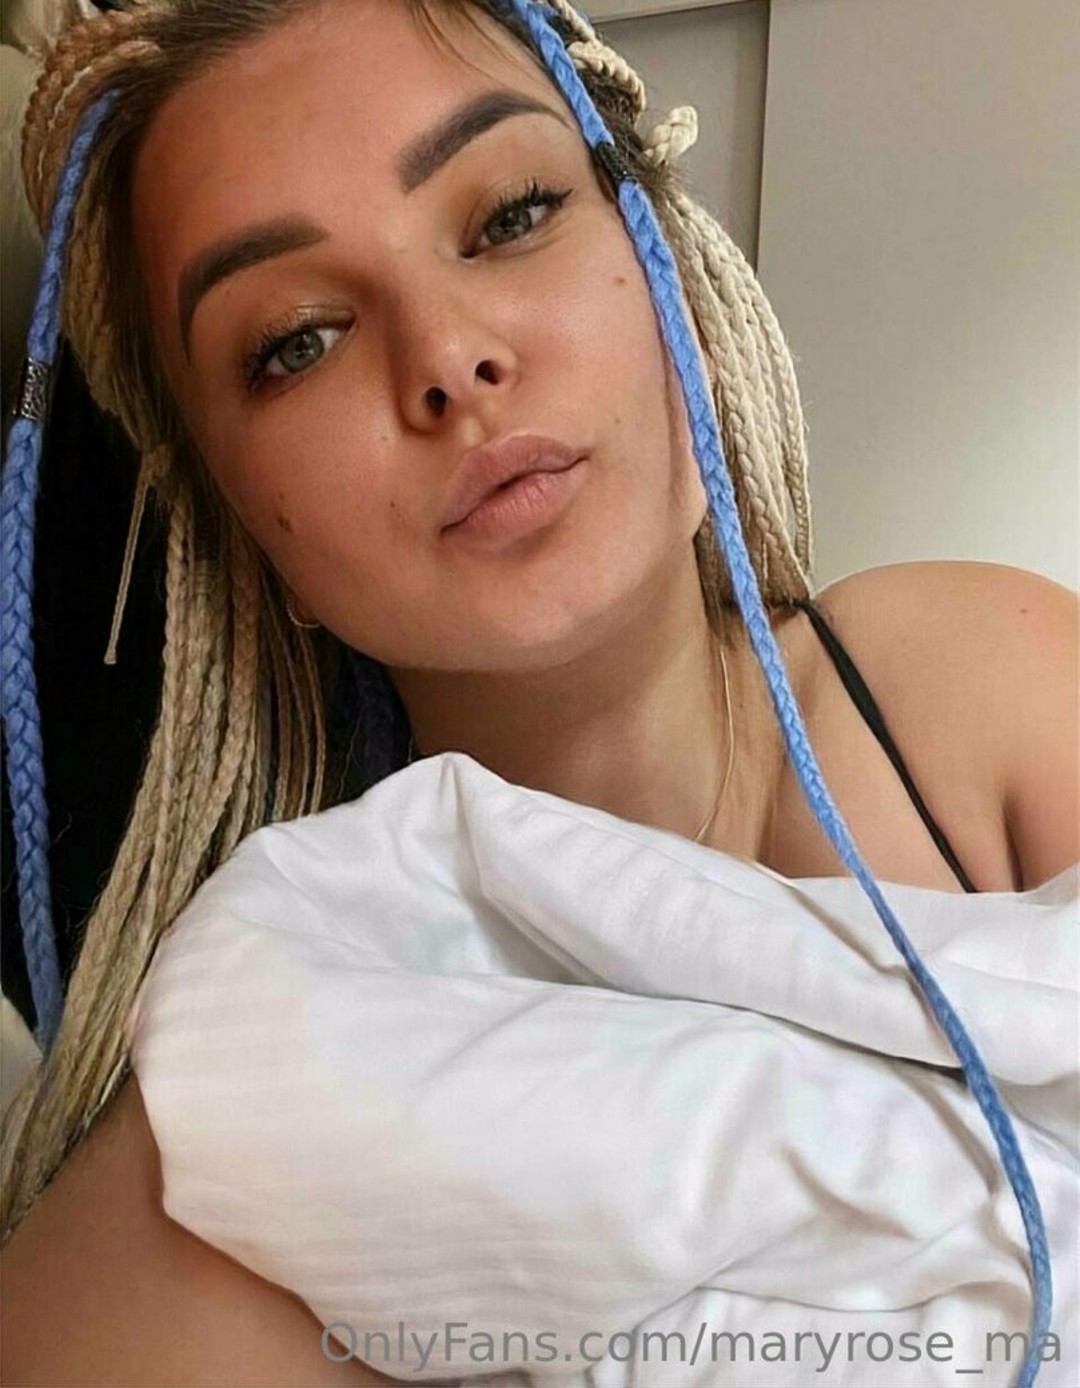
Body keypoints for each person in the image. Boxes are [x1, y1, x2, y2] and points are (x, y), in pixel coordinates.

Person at [1, 0, 1076, 1383]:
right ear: (247, 536)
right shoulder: (283, 1075)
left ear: (666, 262)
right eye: (298, 341)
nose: (448, 358)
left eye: (510, 216)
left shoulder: (970, 684)